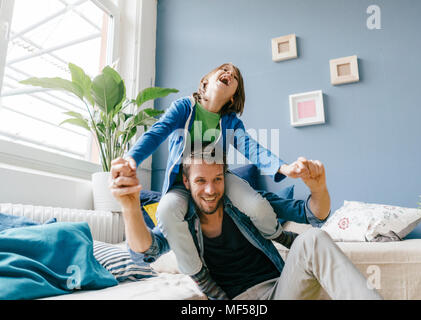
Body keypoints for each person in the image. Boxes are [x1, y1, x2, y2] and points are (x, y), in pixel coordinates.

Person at [111, 63, 325, 296]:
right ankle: (201, 277)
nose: (229, 74)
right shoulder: (184, 108)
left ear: (233, 98)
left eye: (234, 77)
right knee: (165, 211)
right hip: (181, 184)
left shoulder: (230, 122)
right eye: (224, 70)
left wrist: (283, 167)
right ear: (206, 81)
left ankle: (279, 234)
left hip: (218, 177)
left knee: (255, 203)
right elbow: (157, 132)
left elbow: (252, 148)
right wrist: (131, 158)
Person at [110, 149, 383, 300]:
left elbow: (313, 214)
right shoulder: (181, 220)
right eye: (201, 181)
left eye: (217, 179)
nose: (210, 190)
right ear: (186, 182)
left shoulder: (248, 205)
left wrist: (319, 188)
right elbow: (146, 251)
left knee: (312, 238)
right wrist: (130, 205)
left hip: (280, 290)